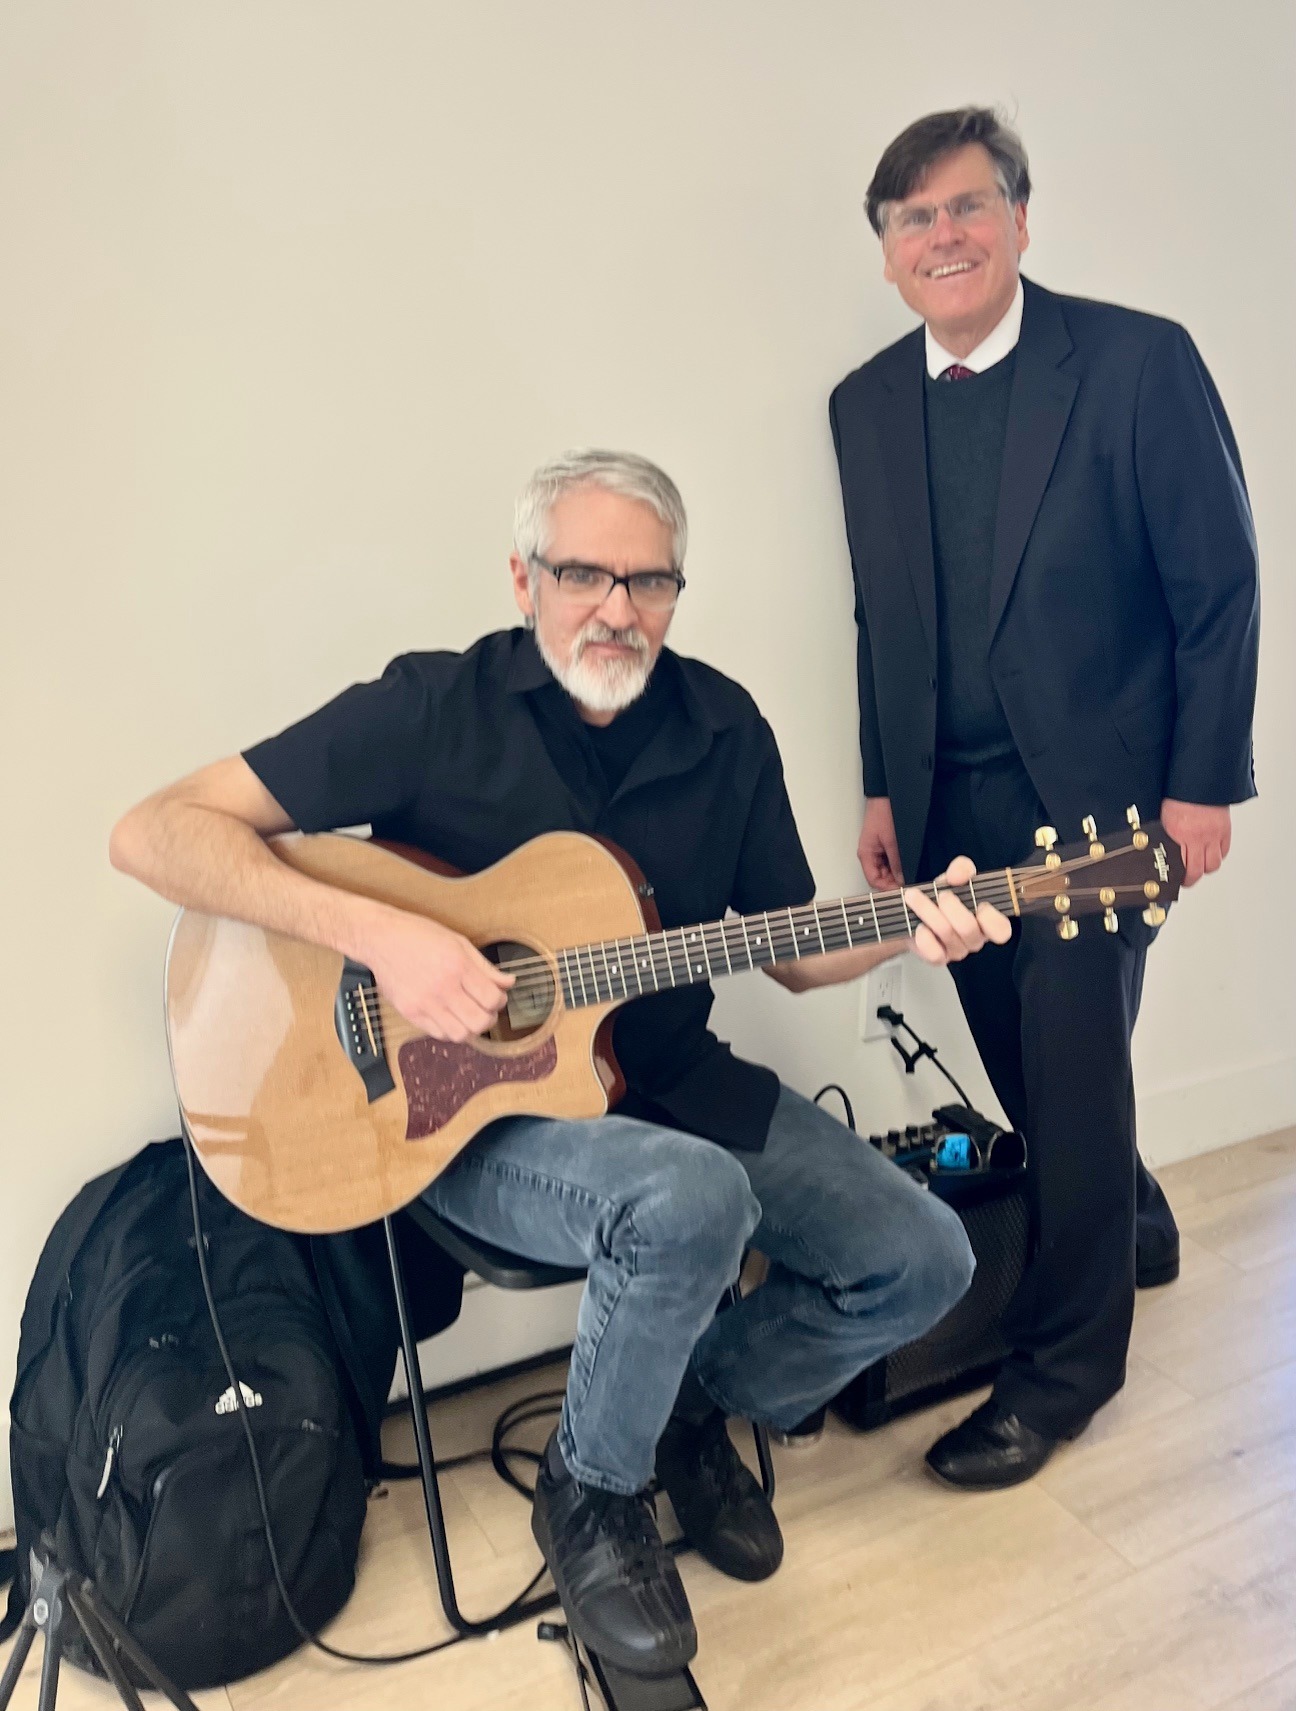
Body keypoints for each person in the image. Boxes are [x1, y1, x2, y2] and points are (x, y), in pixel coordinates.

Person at [111, 449, 1010, 1678]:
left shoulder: (723, 727)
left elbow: (791, 953)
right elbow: (155, 831)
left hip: (672, 1078)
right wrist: (384, 935)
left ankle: (686, 1403)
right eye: (584, 572)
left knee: (925, 1258)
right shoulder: (431, 708)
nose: (616, 607)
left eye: (649, 581)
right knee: (691, 1198)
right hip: (458, 1122)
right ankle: (591, 1493)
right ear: (524, 576)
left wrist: (908, 925)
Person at [829, 109, 1260, 1490]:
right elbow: (875, 615)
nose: (942, 236)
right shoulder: (865, 404)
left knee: (1067, 1069)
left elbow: (1218, 587)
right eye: (913, 219)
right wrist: (885, 783)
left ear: (1019, 219)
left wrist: (1203, 780)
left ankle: (1066, 1370)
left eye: (965, 208)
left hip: (1104, 812)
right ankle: (1127, 1214)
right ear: (889, 253)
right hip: (950, 801)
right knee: (1017, 1065)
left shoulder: (1136, 362)